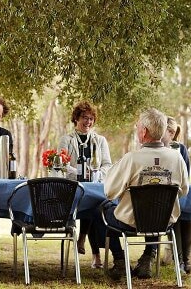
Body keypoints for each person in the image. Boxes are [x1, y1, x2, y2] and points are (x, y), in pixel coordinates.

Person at [102, 108, 189, 280]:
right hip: (164, 222)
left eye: (138, 128)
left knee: (105, 208)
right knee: (155, 211)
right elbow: (184, 190)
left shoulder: (132, 158)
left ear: (144, 131)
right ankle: (147, 258)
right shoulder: (176, 158)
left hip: (131, 222)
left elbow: (109, 192)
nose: (137, 131)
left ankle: (120, 261)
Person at [58, 101, 112, 268]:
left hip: (94, 185)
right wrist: (77, 172)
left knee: (96, 207)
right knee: (89, 204)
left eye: (91, 119)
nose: (88, 122)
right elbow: (60, 163)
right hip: (73, 187)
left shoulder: (100, 140)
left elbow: (107, 164)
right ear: (76, 119)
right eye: (84, 118)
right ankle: (88, 246)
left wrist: (96, 174)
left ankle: (88, 246)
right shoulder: (66, 139)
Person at [163, 116, 191, 274]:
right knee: (177, 215)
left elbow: (186, 174)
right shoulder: (155, 148)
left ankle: (187, 261)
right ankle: (180, 261)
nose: (171, 135)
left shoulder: (180, 148)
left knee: (186, 215)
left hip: (177, 191)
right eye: (168, 131)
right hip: (161, 198)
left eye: (173, 132)